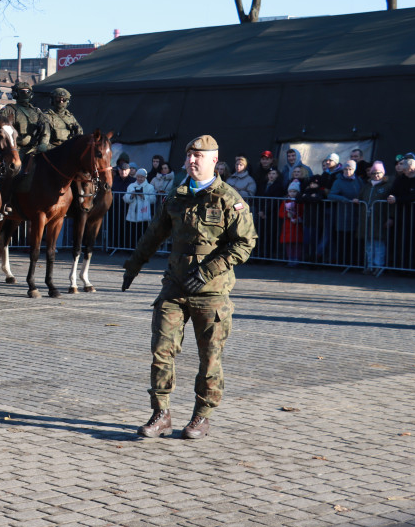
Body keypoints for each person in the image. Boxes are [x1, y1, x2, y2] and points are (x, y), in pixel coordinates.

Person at [122, 135, 257, 440]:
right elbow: (155, 233)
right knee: (161, 351)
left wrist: (209, 269)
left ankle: (202, 416)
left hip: (211, 292)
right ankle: (161, 413)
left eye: (199, 156)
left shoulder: (227, 198)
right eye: (189, 156)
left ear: (214, 161)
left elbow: (245, 244)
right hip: (174, 286)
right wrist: (134, 264)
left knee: (209, 357)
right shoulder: (176, 195)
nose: (193, 161)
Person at [326, 160, 363, 265]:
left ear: (354, 170)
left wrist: (359, 200)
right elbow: (331, 195)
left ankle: (355, 263)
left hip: (357, 214)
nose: (347, 171)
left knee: (355, 241)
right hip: (344, 215)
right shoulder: (338, 181)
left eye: (350, 169)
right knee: (344, 241)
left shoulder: (359, 180)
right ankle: (343, 263)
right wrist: (344, 199)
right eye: (345, 169)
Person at [359, 161, 392, 273]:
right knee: (368, 245)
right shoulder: (367, 186)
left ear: (383, 173)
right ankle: (369, 265)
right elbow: (360, 197)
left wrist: (390, 217)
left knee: (379, 244)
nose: (376, 175)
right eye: (374, 173)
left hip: (380, 219)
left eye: (379, 173)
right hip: (367, 220)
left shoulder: (387, 186)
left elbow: (391, 204)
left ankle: (379, 266)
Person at [38, 87, 82, 152]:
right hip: (53, 149)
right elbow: (44, 136)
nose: (61, 102)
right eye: (58, 99)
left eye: (63, 99)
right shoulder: (46, 116)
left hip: (68, 148)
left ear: (67, 101)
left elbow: (80, 133)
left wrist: (77, 132)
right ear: (53, 100)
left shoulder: (70, 117)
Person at [124, 168, 156, 247]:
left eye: (142, 177)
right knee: (131, 233)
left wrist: (143, 196)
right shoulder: (131, 186)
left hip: (143, 215)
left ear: (145, 177)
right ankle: (131, 249)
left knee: (142, 233)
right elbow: (125, 198)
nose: (140, 179)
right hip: (132, 215)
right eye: (138, 177)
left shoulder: (150, 187)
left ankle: (141, 250)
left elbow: (153, 200)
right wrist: (131, 196)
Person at [280, 181, 304, 266]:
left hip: (297, 225)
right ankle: (290, 258)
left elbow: (302, 213)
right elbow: (280, 213)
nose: (292, 193)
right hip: (287, 225)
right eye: (290, 191)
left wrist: (298, 219)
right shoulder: (285, 201)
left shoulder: (300, 201)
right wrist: (287, 214)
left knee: (297, 243)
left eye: (294, 191)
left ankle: (297, 259)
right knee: (288, 243)